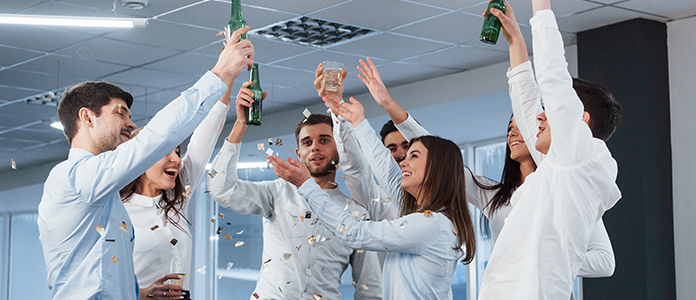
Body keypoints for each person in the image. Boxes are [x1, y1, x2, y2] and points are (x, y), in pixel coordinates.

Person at [320, 57, 615, 278]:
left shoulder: (566, 191)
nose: (514, 133)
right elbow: (441, 158)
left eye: (522, 125)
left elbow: (604, 262)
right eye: (510, 127)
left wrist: (537, 255)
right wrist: (389, 105)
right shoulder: (497, 196)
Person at [37, 26, 254, 300]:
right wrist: (221, 73)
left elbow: (103, 274)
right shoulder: (72, 177)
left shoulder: (107, 197)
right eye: (120, 114)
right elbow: (155, 139)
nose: (131, 124)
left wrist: (138, 293)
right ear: (88, 117)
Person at [479, 1, 622, 299]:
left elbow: (552, 73)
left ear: (579, 121)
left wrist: (540, 6)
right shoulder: (559, 168)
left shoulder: (580, 157)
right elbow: (526, 101)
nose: (540, 116)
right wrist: (515, 39)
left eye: (552, 109)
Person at [205, 82, 383, 299]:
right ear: (299, 153)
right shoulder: (277, 193)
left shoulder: (357, 215)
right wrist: (241, 124)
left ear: (339, 148)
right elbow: (221, 189)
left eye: (324, 140)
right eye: (307, 143)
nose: (315, 147)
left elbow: (370, 288)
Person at [269, 134, 476, 299]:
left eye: (414, 156)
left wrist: (307, 186)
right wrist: (356, 120)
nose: (403, 162)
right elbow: (387, 173)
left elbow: (352, 233)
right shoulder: (434, 221)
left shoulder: (429, 225)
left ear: (437, 168)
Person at [119, 82, 255, 299]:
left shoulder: (176, 198)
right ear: (141, 160)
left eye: (177, 151)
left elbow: (207, 132)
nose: (176, 159)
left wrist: (230, 73)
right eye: (165, 152)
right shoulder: (118, 211)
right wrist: (140, 294)